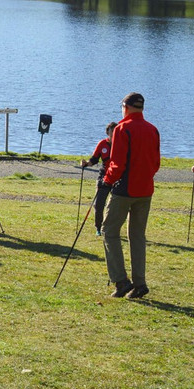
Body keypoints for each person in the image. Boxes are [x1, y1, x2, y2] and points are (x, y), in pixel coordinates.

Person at [103, 92, 161, 299]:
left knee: (109, 231)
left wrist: (107, 181)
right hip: (146, 189)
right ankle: (140, 283)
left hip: (125, 189)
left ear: (125, 107)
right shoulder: (153, 129)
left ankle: (121, 281)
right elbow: (156, 163)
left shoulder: (122, 129)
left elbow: (117, 164)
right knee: (137, 236)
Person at [80, 122, 116, 236]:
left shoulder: (122, 144)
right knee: (99, 204)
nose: (114, 134)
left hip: (118, 177)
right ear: (108, 132)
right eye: (112, 131)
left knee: (116, 206)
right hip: (104, 177)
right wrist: (86, 163)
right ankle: (98, 228)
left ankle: (111, 228)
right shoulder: (102, 144)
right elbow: (94, 159)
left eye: (116, 131)